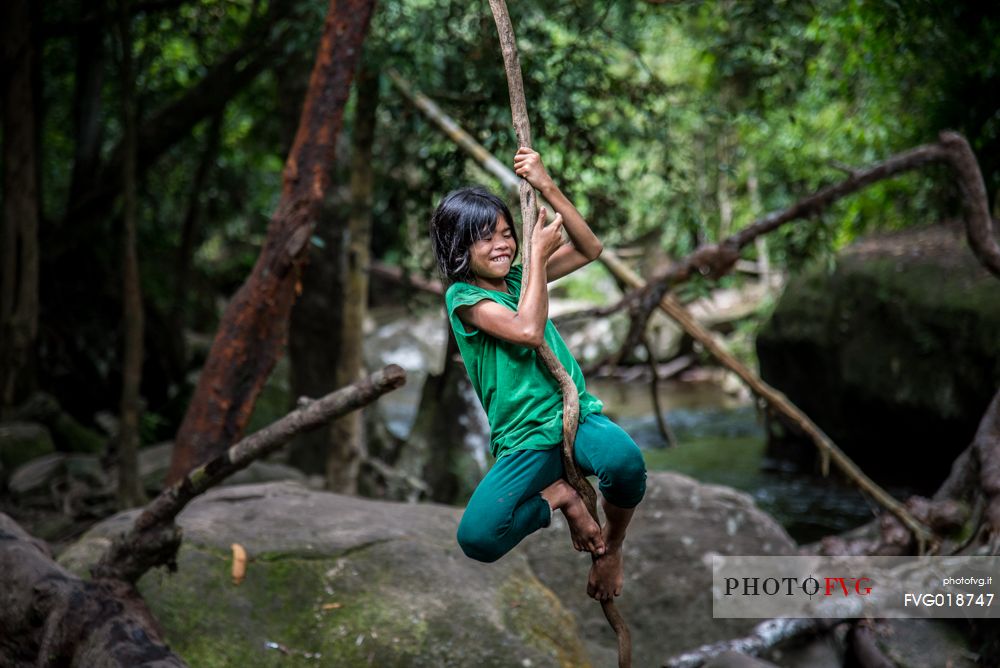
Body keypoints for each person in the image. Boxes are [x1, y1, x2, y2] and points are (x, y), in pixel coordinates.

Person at [429, 147, 647, 601]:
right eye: (486, 238)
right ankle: (561, 497)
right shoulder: (463, 299)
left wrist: (546, 184)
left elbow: (590, 248)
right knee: (478, 537)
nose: (502, 245)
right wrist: (536, 254)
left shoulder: (517, 279)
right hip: (524, 437)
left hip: (573, 416)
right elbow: (527, 331)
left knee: (625, 463)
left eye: (507, 233)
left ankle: (615, 546)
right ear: (458, 248)